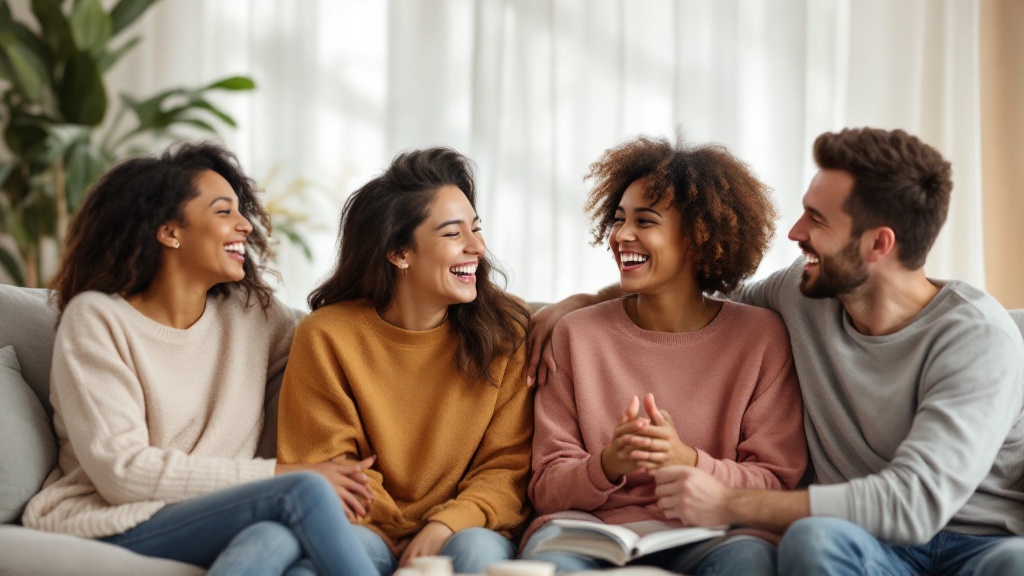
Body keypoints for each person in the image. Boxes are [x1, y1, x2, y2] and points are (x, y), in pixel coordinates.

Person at [528, 127, 1024, 575]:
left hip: (978, 543)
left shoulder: (978, 339)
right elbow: (692, 297)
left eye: (817, 219)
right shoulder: (801, 293)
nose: (794, 233)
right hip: (870, 546)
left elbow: (912, 504)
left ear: (878, 245)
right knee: (813, 541)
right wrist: (584, 302)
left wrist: (728, 501)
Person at [20, 143, 377, 575]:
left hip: (214, 516)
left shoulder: (249, 314)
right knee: (302, 494)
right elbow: (123, 473)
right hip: (107, 518)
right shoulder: (97, 319)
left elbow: (334, 342)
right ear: (170, 231)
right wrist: (282, 473)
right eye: (224, 211)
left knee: (273, 537)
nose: (245, 224)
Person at [518, 135, 806, 575]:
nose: (621, 236)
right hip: (588, 532)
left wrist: (687, 462)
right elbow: (545, 488)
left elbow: (776, 483)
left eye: (644, 221)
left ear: (698, 236)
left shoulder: (761, 337)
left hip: (718, 535)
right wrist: (608, 463)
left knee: (750, 560)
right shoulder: (576, 334)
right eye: (617, 219)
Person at [276, 147, 534, 576]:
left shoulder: (507, 330)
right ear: (399, 253)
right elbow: (329, 466)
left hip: (469, 526)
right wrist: (398, 529)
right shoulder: (326, 335)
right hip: (367, 527)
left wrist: (442, 524)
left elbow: (508, 467)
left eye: (476, 228)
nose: (477, 247)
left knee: (476, 554)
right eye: (453, 234)